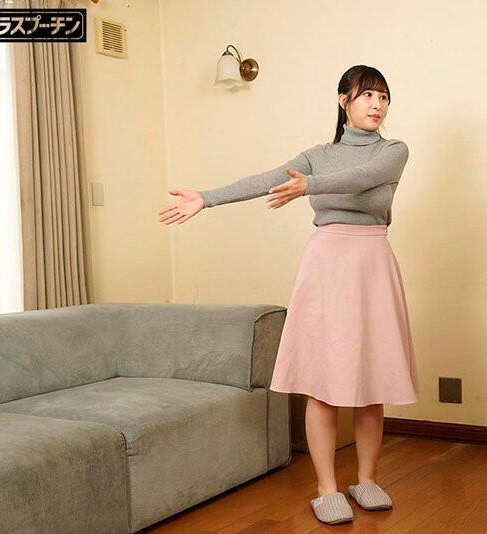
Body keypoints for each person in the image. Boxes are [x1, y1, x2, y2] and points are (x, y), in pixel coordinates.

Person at [157, 65, 419, 525]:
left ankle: (366, 478)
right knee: (322, 381)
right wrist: (206, 197)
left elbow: (363, 177)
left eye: (383, 97)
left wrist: (307, 186)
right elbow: (266, 178)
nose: (377, 105)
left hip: (372, 263)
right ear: (343, 100)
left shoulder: (393, 151)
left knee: (371, 381)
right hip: (327, 264)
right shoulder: (317, 155)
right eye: (367, 95)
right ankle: (326, 487)